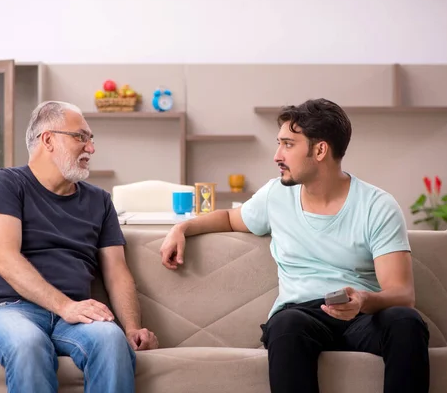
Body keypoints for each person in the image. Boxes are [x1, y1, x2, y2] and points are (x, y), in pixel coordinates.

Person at [159, 98, 429, 393]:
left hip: (363, 315)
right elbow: (229, 217)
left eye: (288, 144)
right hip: (301, 316)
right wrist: (182, 227)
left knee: (406, 320)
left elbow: (402, 293)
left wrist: (363, 300)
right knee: (285, 325)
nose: (277, 155)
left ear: (320, 150)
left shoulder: (377, 206)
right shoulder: (276, 195)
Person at [0, 101, 158, 393]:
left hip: (74, 317)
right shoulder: (5, 184)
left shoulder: (100, 201)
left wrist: (132, 327)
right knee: (28, 343)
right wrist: (65, 306)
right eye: (81, 137)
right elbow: (6, 261)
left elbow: (117, 272)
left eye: (91, 139)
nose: (91, 148)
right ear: (48, 139)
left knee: (111, 340)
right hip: (9, 310)